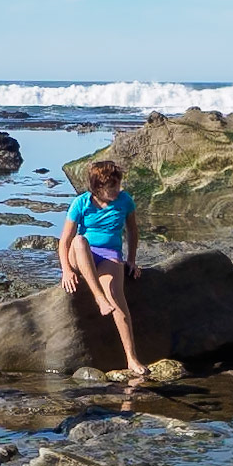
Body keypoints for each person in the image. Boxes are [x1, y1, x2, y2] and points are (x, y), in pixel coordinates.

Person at [57, 159, 148, 376]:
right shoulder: (81, 203)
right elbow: (65, 241)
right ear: (98, 187)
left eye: (118, 184)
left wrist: (131, 260)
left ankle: (131, 358)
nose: (117, 189)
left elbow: (133, 232)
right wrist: (66, 270)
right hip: (81, 254)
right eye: (112, 186)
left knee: (116, 297)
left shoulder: (125, 201)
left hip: (110, 255)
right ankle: (99, 298)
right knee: (80, 240)